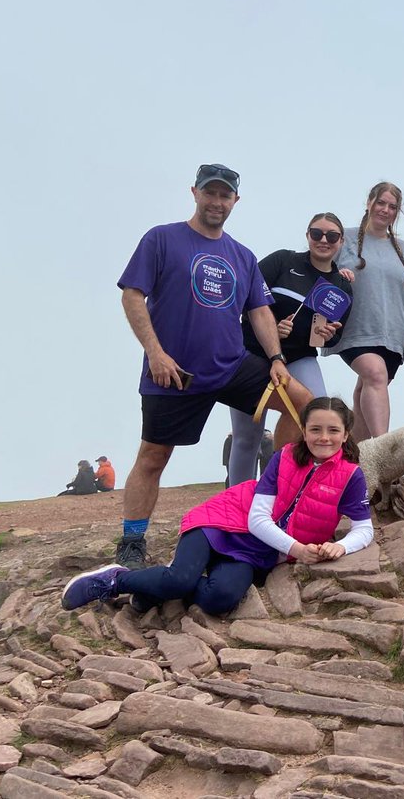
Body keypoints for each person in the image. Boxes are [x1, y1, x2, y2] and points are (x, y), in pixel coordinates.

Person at [116, 163, 311, 569]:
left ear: (235, 201)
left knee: (306, 405)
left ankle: (274, 498)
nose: (217, 201)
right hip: (174, 372)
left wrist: (276, 359)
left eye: (225, 195)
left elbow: (259, 311)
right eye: (210, 192)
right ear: (195, 192)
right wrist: (155, 353)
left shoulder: (242, 256)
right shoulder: (161, 239)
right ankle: (132, 542)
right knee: (153, 457)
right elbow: (132, 295)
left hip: (232, 365)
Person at [61, 398, 373, 617]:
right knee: (181, 579)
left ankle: (154, 589)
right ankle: (115, 580)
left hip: (255, 553)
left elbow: (363, 528)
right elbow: (257, 518)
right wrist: (297, 549)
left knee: (219, 599)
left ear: (346, 434)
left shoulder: (351, 476)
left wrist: (341, 547)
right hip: (221, 523)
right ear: (304, 431)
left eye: (333, 430)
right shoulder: (285, 457)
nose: (324, 437)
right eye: (315, 429)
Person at [228, 212, 354, 483]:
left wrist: (327, 335)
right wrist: (272, 327)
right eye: (317, 233)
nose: (323, 240)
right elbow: (245, 300)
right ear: (307, 235)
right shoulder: (282, 260)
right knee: (247, 435)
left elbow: (334, 338)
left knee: (316, 412)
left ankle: (276, 479)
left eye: (332, 236)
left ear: (341, 241)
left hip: (298, 356)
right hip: (253, 352)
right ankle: (237, 496)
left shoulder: (341, 285)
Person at [327, 183, 404, 440]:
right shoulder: (344, 240)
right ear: (369, 202)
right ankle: (385, 449)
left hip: (393, 336)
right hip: (353, 329)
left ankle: (358, 457)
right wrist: (336, 277)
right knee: (374, 373)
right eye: (381, 202)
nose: (385, 210)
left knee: (367, 388)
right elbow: (319, 267)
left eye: (392, 206)